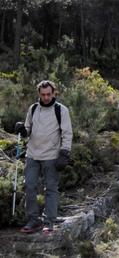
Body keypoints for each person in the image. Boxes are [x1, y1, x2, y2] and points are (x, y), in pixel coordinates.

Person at [14, 80, 73, 234]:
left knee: (51, 189)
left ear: (54, 93)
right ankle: (34, 220)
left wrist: (64, 153)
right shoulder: (33, 109)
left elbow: (67, 133)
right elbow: (27, 129)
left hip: (52, 156)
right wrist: (22, 129)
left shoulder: (61, 110)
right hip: (32, 154)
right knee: (30, 186)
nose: (46, 97)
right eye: (43, 94)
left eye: (49, 94)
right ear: (39, 94)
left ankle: (49, 222)